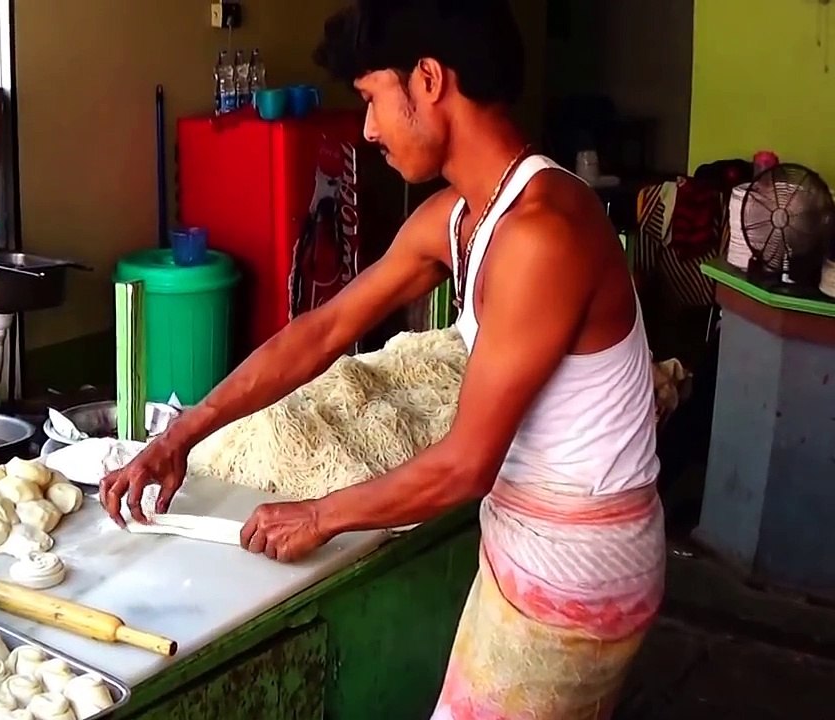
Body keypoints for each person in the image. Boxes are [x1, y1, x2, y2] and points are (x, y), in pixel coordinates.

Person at [100, 0, 663, 717]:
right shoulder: (463, 216)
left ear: (427, 80)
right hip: (527, 540)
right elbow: (322, 330)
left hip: (578, 570)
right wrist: (181, 434)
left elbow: (466, 464)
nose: (367, 130)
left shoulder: (541, 234)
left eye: (371, 99)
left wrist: (322, 514)